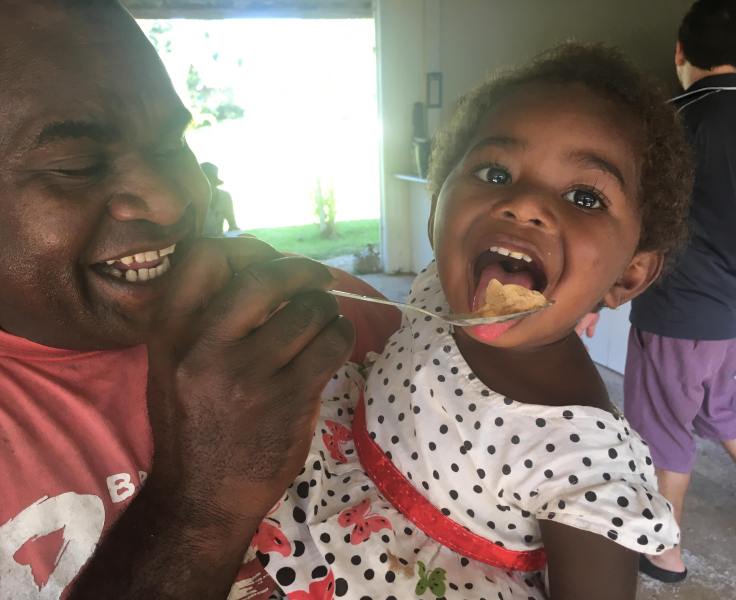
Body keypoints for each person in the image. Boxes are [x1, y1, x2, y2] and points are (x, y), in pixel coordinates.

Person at [0, 1, 401, 598]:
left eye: (171, 143)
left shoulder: (319, 317)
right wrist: (201, 501)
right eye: (76, 166)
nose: (169, 200)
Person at [246, 44, 694, 600]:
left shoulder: (586, 459)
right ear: (437, 207)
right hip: (318, 482)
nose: (525, 204)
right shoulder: (438, 285)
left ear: (627, 275)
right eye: (495, 171)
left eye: (584, 196)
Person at [624, 0, 736, 584]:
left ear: (680, 53)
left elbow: (635, 222)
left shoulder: (669, 123)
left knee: (665, 429)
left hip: (678, 312)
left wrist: (599, 295)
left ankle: (664, 551)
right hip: (732, 319)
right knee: (728, 413)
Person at [201, 161, 240, 236]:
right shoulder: (194, 199)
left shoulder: (225, 197)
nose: (208, 184)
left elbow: (232, 223)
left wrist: (236, 233)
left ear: (215, 182)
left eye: (210, 180)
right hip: (200, 242)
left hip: (220, 239)